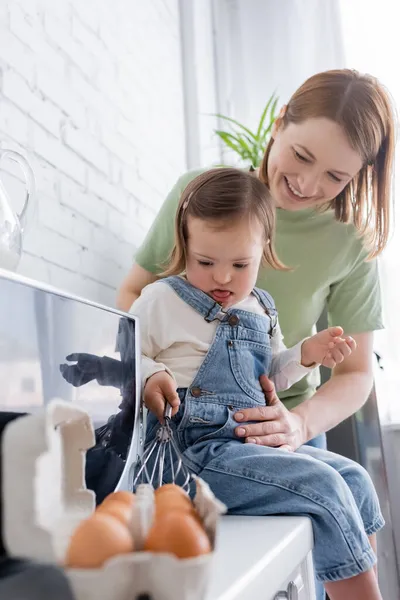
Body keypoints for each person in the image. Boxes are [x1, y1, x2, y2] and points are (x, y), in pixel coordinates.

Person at [118, 69, 395, 599]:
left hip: (288, 426)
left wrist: (296, 419)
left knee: (352, 487)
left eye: (337, 176)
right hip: (195, 434)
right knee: (324, 496)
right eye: (302, 156)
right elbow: (131, 302)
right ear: (278, 123)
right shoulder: (204, 198)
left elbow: (355, 373)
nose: (309, 185)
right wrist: (152, 370)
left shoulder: (348, 244)